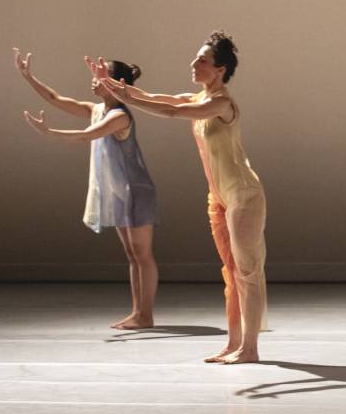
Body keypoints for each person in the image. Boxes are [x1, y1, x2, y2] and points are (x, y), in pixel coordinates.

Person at [99, 31, 267, 364]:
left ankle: (250, 348)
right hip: (218, 198)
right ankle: (234, 343)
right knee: (230, 271)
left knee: (247, 271)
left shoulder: (221, 103)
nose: (194, 63)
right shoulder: (197, 98)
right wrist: (114, 86)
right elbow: (158, 98)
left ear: (219, 70)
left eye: (202, 59)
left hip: (243, 195)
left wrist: (127, 100)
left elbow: (173, 114)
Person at [16, 49, 159, 330]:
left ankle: (146, 314)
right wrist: (29, 77)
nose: (93, 78)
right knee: (132, 255)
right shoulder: (97, 110)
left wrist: (49, 133)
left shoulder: (120, 116)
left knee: (142, 254)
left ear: (116, 82)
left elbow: (87, 136)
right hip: (120, 193)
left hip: (136, 191)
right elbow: (56, 99)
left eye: (100, 73)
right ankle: (138, 313)